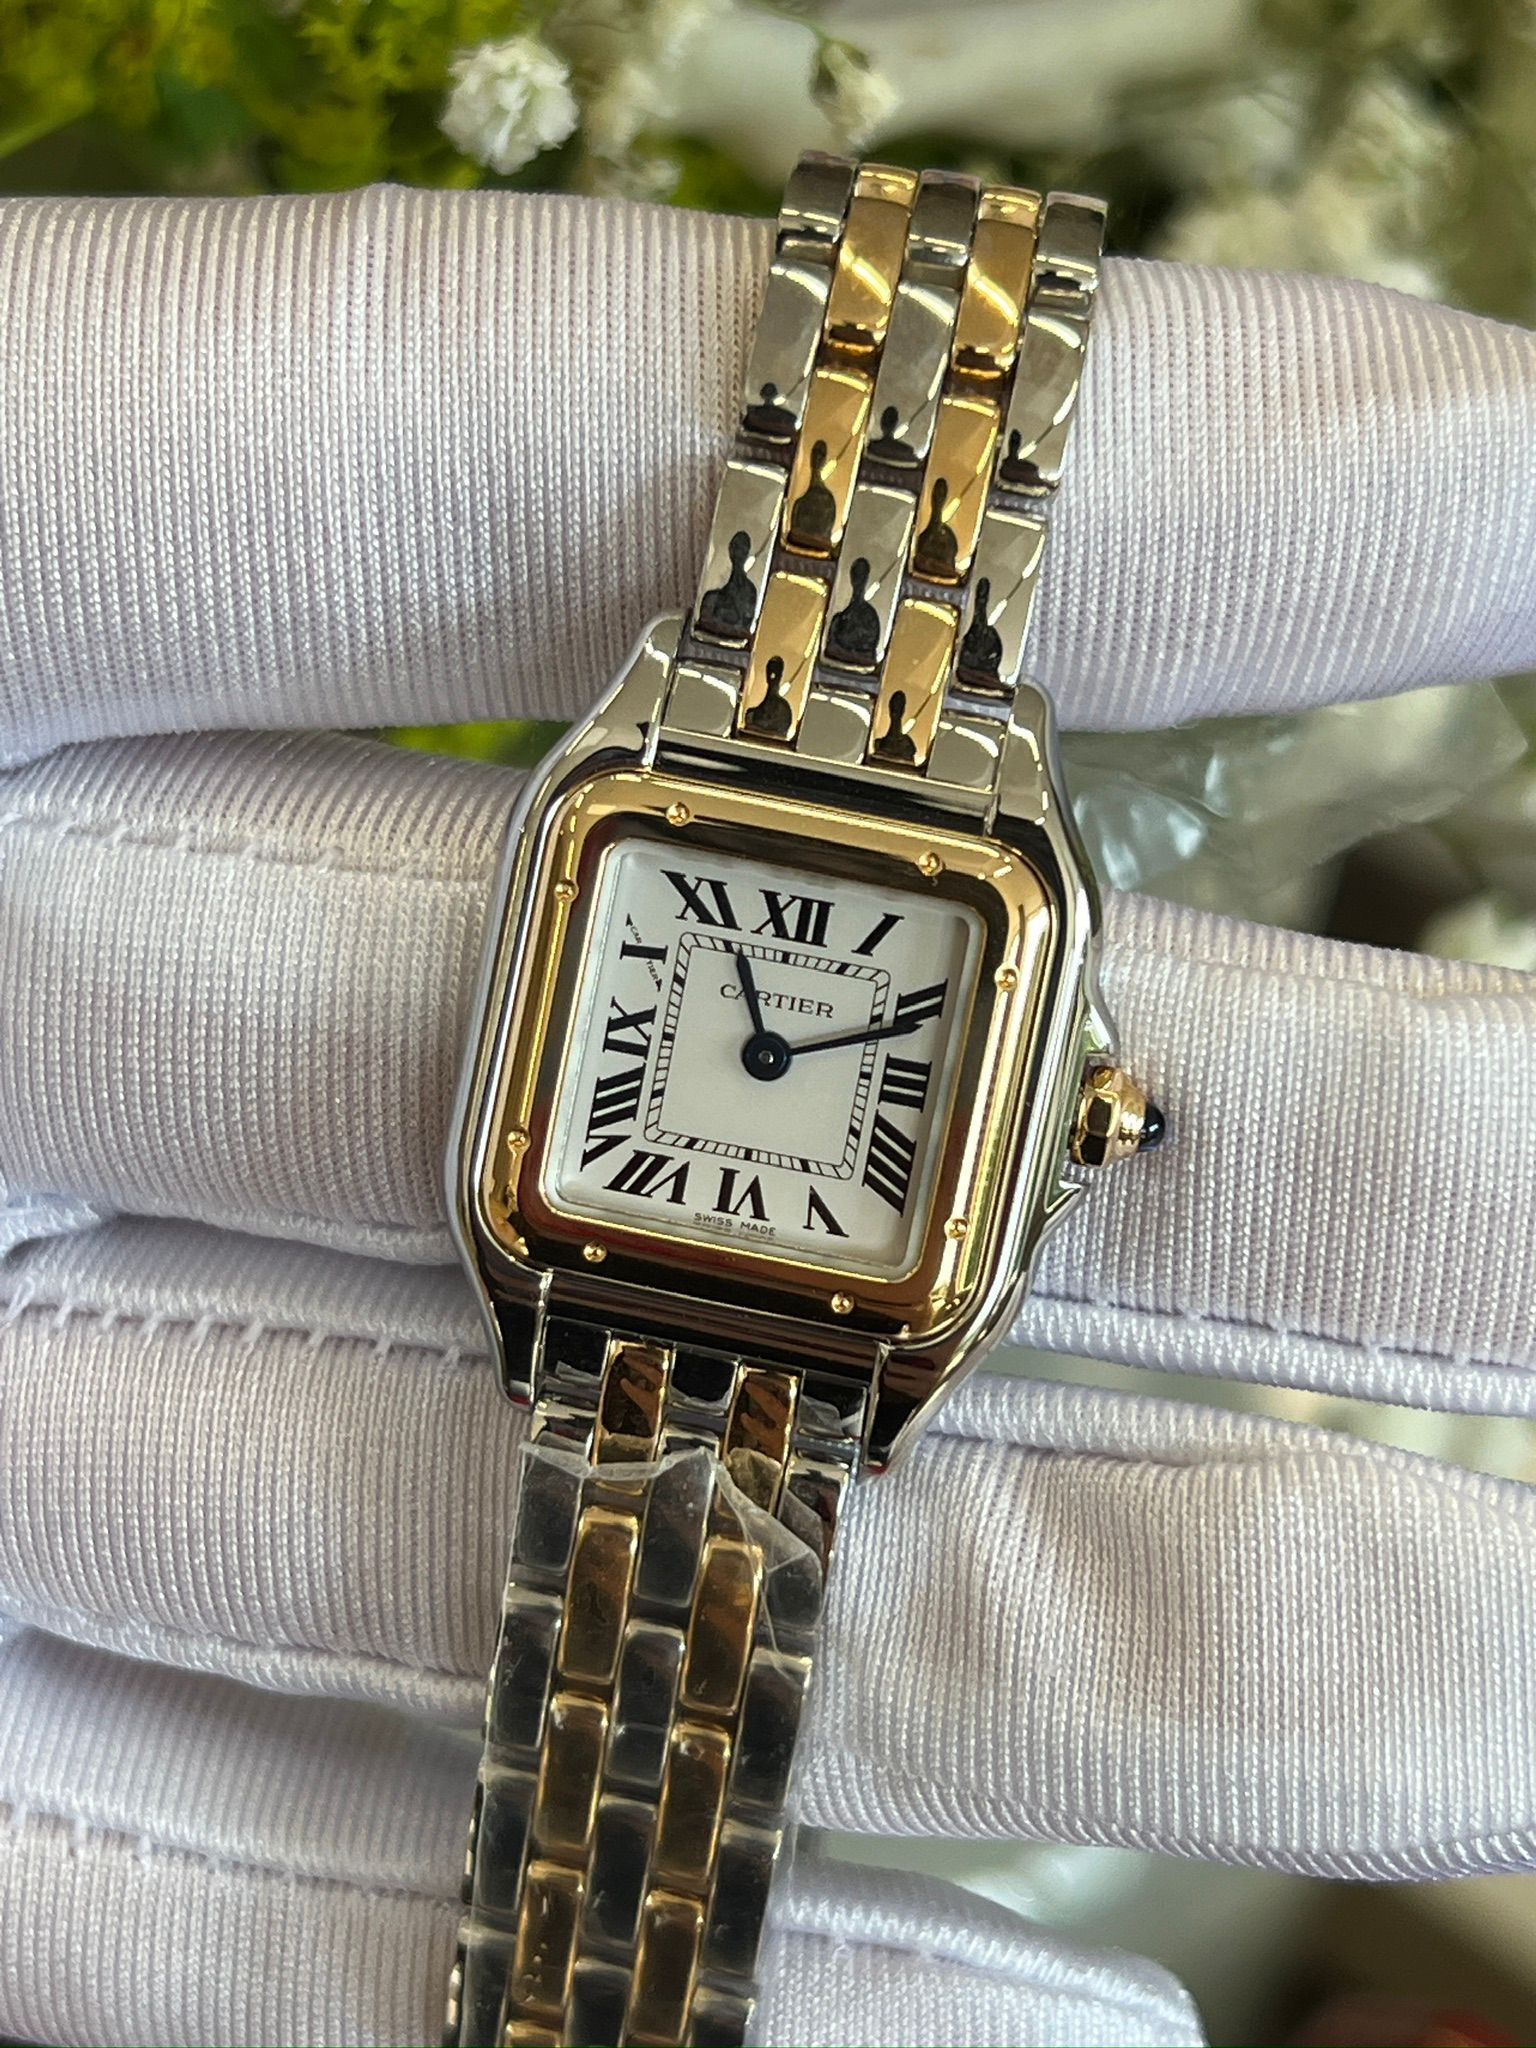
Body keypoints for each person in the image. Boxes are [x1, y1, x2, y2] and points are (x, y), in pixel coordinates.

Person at [1, 182, 1534, 2048]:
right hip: (615, 1278)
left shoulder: (919, 932)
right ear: (1095, 1116)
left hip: (740, 1330)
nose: (781, 1064)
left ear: (1078, 1112)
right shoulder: (616, 829)